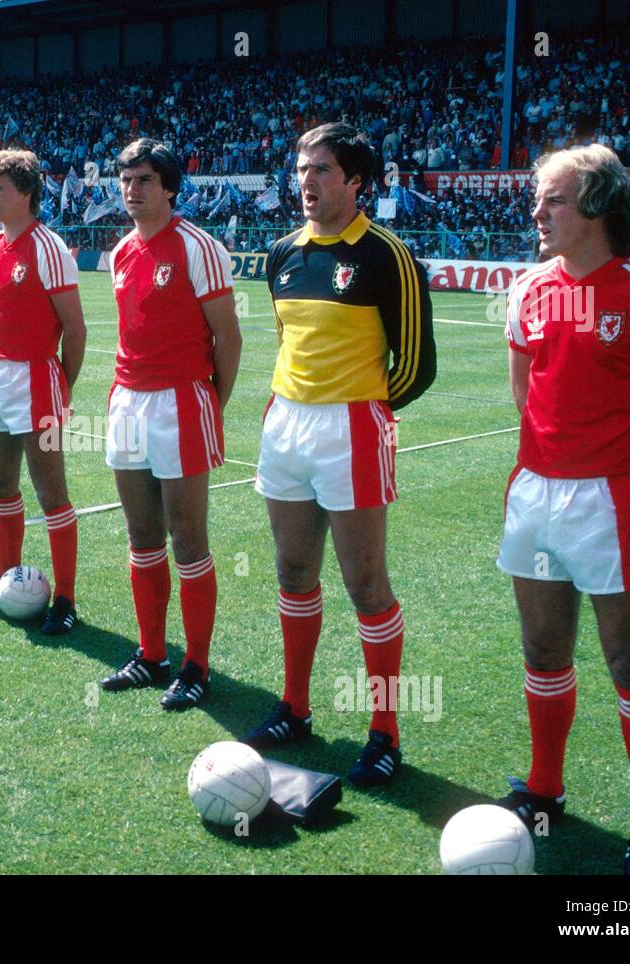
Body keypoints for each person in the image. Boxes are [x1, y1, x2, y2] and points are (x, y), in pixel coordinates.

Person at [494, 144, 630, 874]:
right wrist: (556, 461)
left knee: (628, 662)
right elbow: (526, 394)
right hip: (535, 493)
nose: (537, 210)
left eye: (552, 199)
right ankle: (545, 787)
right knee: (542, 652)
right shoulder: (529, 289)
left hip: (616, 496)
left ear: (595, 205)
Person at [241, 122, 435, 791]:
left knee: (364, 584)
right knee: (294, 571)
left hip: (353, 426)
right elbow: (287, 338)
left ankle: (385, 733)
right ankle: (295, 708)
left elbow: (416, 364)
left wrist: (366, 409)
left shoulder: (387, 256)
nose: (307, 182)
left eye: (322, 170)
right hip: (285, 422)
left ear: (357, 182)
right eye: (300, 169)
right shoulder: (281, 253)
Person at [96, 138, 240, 711]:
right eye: (126, 180)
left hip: (182, 400)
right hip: (128, 400)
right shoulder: (119, 251)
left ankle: (196, 663)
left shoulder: (198, 247)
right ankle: (152, 653)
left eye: (145, 180)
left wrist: (210, 404)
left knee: (188, 537)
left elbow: (227, 338)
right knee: (142, 536)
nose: (132, 190)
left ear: (170, 187)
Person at [0, 149, 87, 636]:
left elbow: (75, 330)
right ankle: (5, 576)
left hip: (37, 381)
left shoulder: (48, 248)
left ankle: (67, 597)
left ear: (26, 193)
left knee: (52, 493)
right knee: (0, 485)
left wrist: (61, 388)